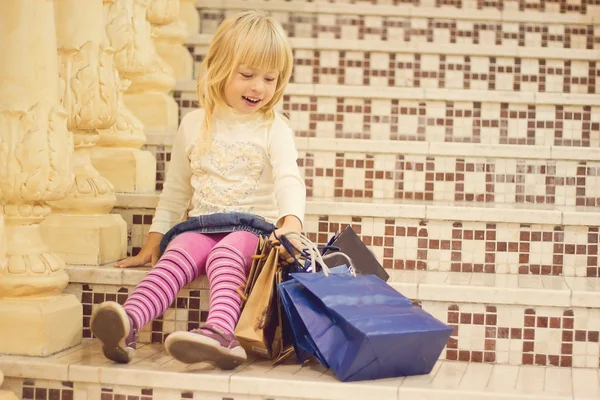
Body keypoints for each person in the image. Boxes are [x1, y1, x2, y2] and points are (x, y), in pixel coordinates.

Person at [90, 9, 305, 370]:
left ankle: (222, 334)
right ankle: (128, 323)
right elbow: (175, 191)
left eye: (270, 78)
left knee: (227, 254)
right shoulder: (193, 124)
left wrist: (292, 222)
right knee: (177, 255)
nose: (259, 87)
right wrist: (155, 240)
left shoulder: (275, 128)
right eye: (247, 75)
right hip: (200, 225)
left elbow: (289, 177)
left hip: (252, 229)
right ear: (219, 67)